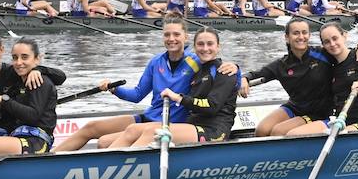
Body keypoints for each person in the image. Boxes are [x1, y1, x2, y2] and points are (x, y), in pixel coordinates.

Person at [52, 17, 237, 152]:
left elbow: (219, 67)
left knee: (107, 142)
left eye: (176, 34)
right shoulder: (156, 62)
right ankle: (48, 161)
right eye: (167, 34)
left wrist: (238, 70)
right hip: (151, 116)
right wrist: (114, 89)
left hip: (173, 121)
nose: (171, 38)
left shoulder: (197, 59)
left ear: (186, 38)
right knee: (93, 129)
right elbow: (138, 94)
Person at [105, 27, 239, 147]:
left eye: (210, 44)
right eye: (200, 44)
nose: (205, 48)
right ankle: (108, 164)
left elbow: (211, 107)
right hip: (191, 125)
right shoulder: (196, 69)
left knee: (153, 132)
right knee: (132, 129)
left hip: (214, 130)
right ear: (194, 47)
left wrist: (178, 98)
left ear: (218, 47)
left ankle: (121, 168)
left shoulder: (225, 71)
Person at [289, 22, 358, 135]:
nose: (332, 44)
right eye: (327, 42)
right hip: (339, 120)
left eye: (335, 38)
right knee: (293, 134)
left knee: (338, 134)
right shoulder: (329, 64)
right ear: (323, 45)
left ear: (344, 36)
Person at [0, 38, 64, 157]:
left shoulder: (40, 81)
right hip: (17, 136)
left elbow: (33, 116)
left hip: (36, 142)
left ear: (37, 59)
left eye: (24, 57)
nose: (18, 62)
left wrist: (4, 100)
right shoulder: (18, 81)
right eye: (15, 57)